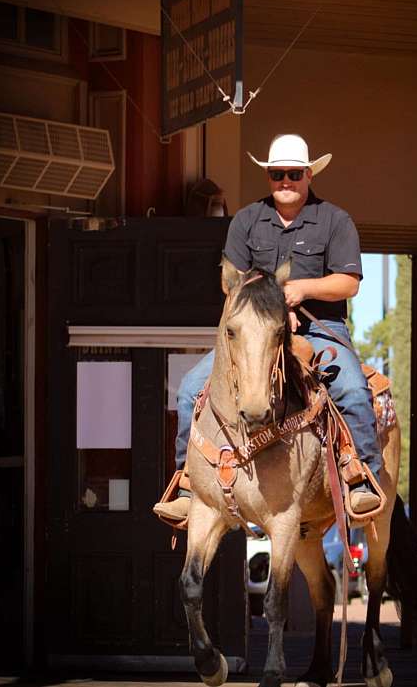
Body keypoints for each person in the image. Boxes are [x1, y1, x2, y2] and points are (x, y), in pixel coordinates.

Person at [157, 134, 382, 520]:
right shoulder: (246, 221)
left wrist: (299, 291)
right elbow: (233, 286)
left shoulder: (335, 220)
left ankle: (359, 477)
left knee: (353, 388)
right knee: (190, 390)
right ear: (269, 176)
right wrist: (273, 311)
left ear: (309, 174)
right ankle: (188, 481)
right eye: (277, 174)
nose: (285, 182)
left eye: (294, 174)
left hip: (319, 328)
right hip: (256, 334)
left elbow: (349, 283)